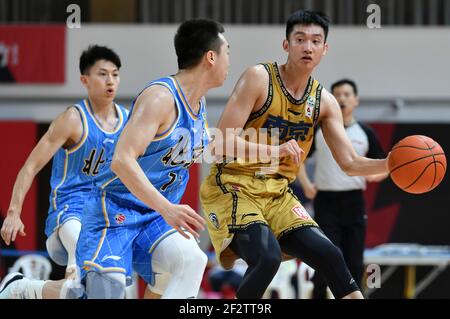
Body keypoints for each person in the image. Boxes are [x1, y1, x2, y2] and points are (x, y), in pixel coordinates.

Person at [200, 10, 390, 299]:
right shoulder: (259, 78)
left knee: (330, 254)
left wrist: (391, 163)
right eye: (300, 39)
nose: (308, 47)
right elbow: (219, 144)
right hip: (233, 186)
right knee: (267, 258)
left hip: (277, 193)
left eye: (316, 41)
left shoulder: (324, 101)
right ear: (286, 45)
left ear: (325, 49)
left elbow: (350, 163)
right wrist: (274, 151)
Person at [75, 18, 230, 299]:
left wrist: (274, 151)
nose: (229, 59)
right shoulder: (160, 98)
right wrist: (169, 209)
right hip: (115, 211)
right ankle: (26, 290)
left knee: (192, 260)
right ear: (211, 57)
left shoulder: (199, 103)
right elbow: (122, 160)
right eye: (227, 51)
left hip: (154, 216)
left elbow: (213, 143)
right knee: (98, 294)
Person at [0, 45, 128, 299]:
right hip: (71, 212)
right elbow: (31, 166)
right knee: (83, 259)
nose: (110, 81)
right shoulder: (72, 119)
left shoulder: (128, 120)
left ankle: (24, 288)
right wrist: (14, 213)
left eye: (115, 74)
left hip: (107, 213)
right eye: (102, 74)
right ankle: (24, 286)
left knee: (97, 290)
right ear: (85, 80)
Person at [297, 79, 387, 298]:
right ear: (331, 100)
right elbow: (297, 159)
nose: (342, 98)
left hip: (354, 202)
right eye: (337, 95)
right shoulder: (318, 130)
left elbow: (384, 165)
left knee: (355, 262)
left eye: (347, 94)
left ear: (356, 100)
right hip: (325, 201)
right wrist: (307, 185)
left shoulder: (365, 132)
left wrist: (376, 175)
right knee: (325, 258)